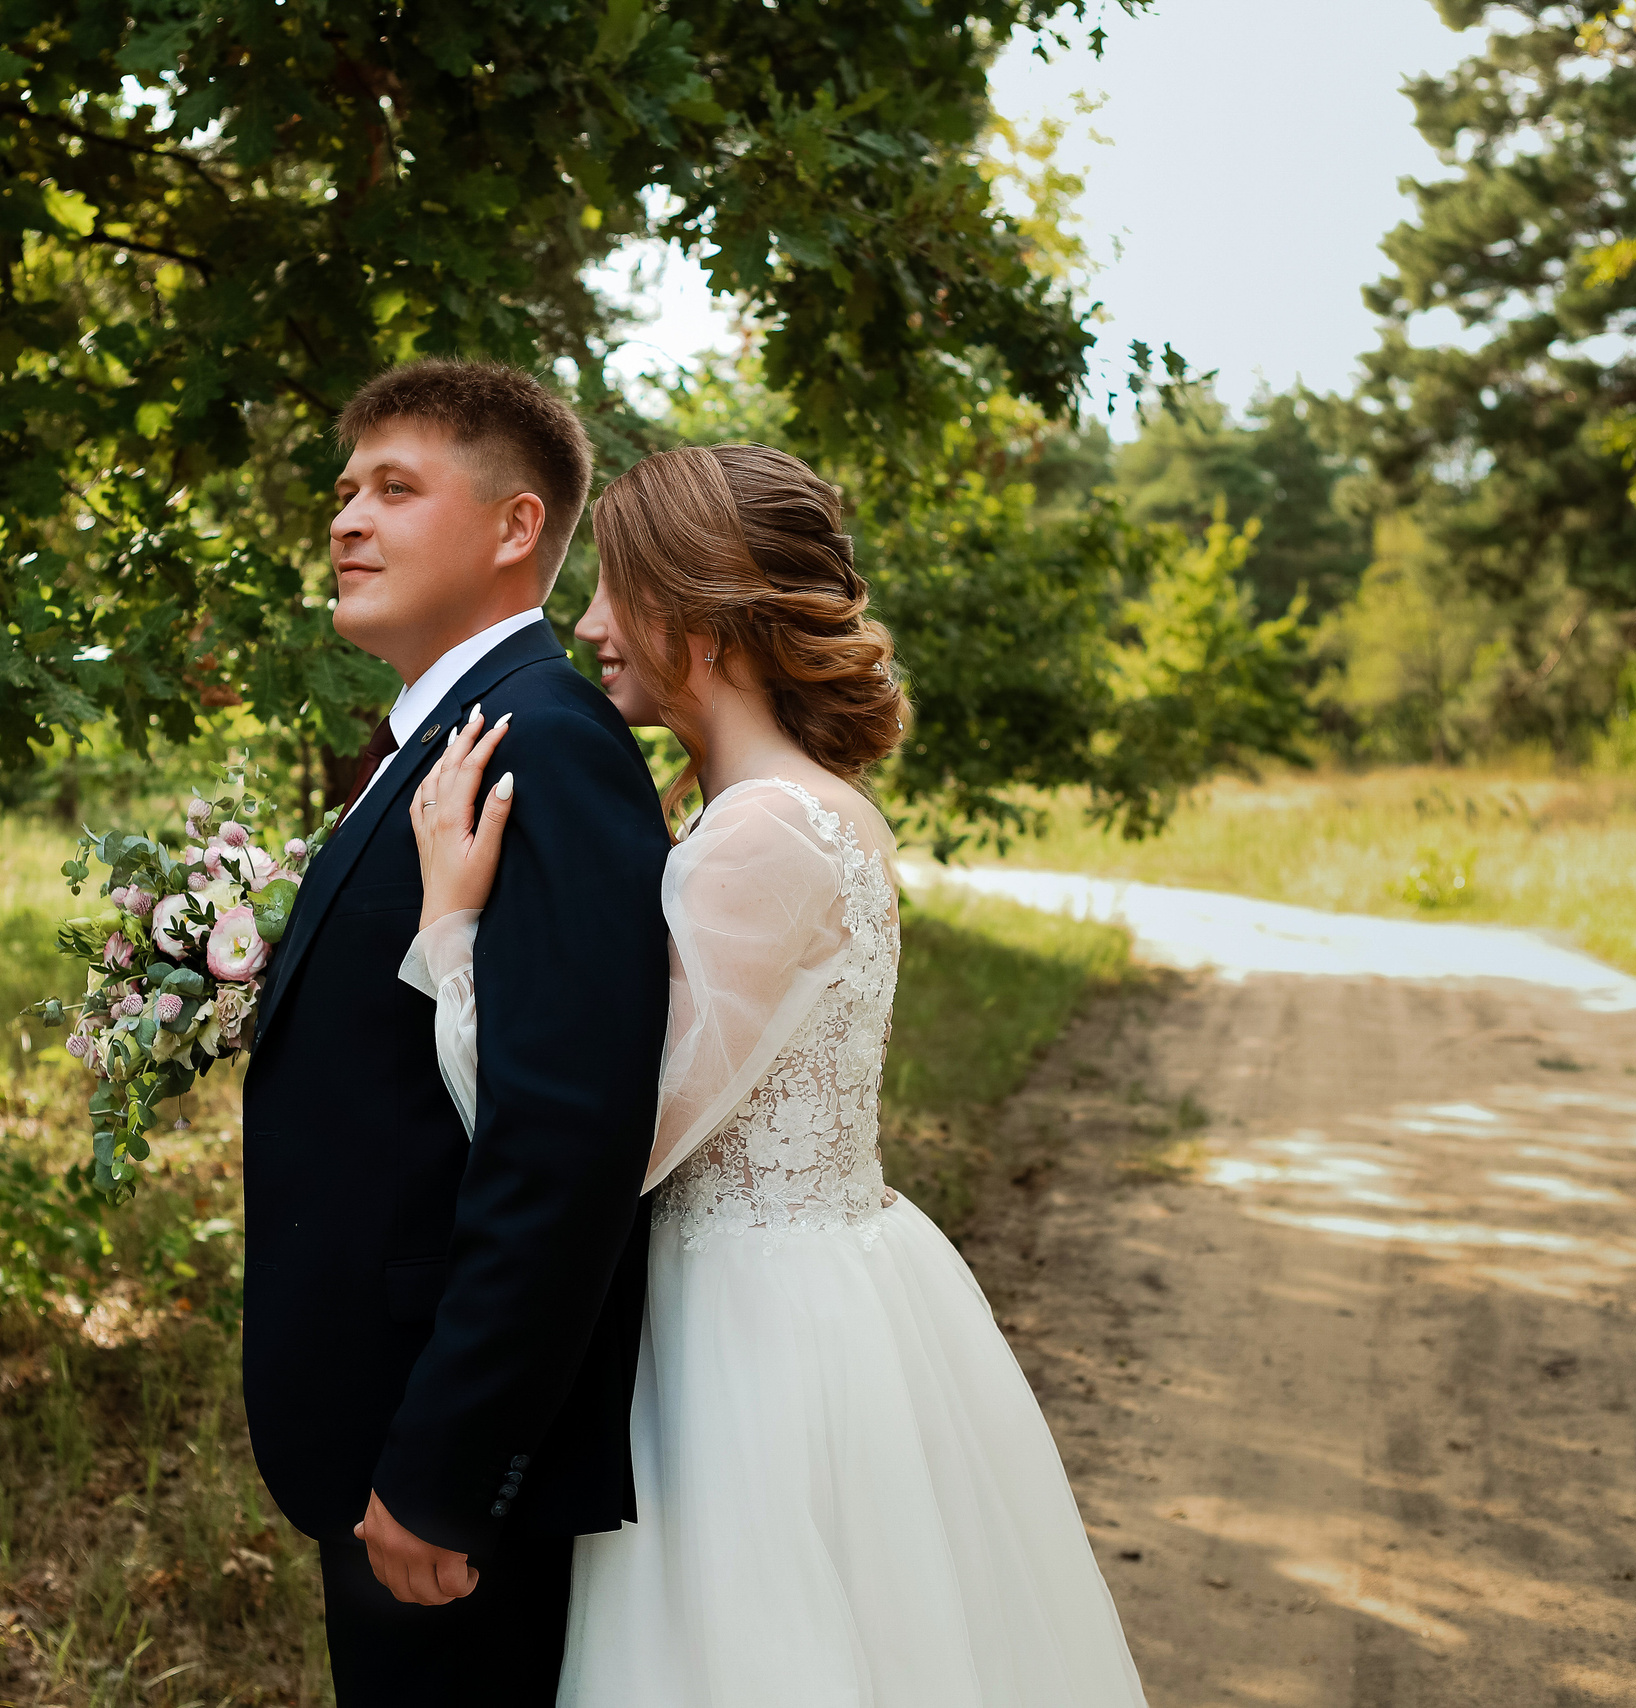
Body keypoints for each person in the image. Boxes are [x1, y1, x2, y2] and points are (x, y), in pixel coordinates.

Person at [402, 443, 1151, 1706]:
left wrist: (450, 930)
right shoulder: (801, 805)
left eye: (616, 591)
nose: (588, 625)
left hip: (746, 1328)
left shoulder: (763, 831)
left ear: (701, 616)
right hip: (825, 1275)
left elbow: (611, 1142)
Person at [240, 360, 672, 1708]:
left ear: (514, 528)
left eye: (395, 488)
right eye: (344, 491)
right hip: (376, 1414)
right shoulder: (448, 737)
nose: (347, 519)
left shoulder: (548, 747)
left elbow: (563, 1143)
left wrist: (447, 1463)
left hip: (437, 1453)